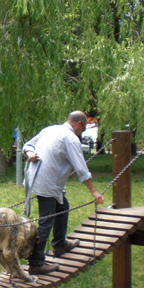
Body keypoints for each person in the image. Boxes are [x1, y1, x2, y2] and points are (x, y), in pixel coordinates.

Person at [22, 110, 104, 274]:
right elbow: (81, 168)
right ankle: (36, 263)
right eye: (83, 129)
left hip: (37, 179)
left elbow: (27, 146)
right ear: (78, 124)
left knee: (63, 207)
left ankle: (59, 244)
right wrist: (94, 191)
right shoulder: (71, 138)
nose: (82, 133)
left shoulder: (50, 129)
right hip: (47, 183)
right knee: (46, 222)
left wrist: (30, 153)